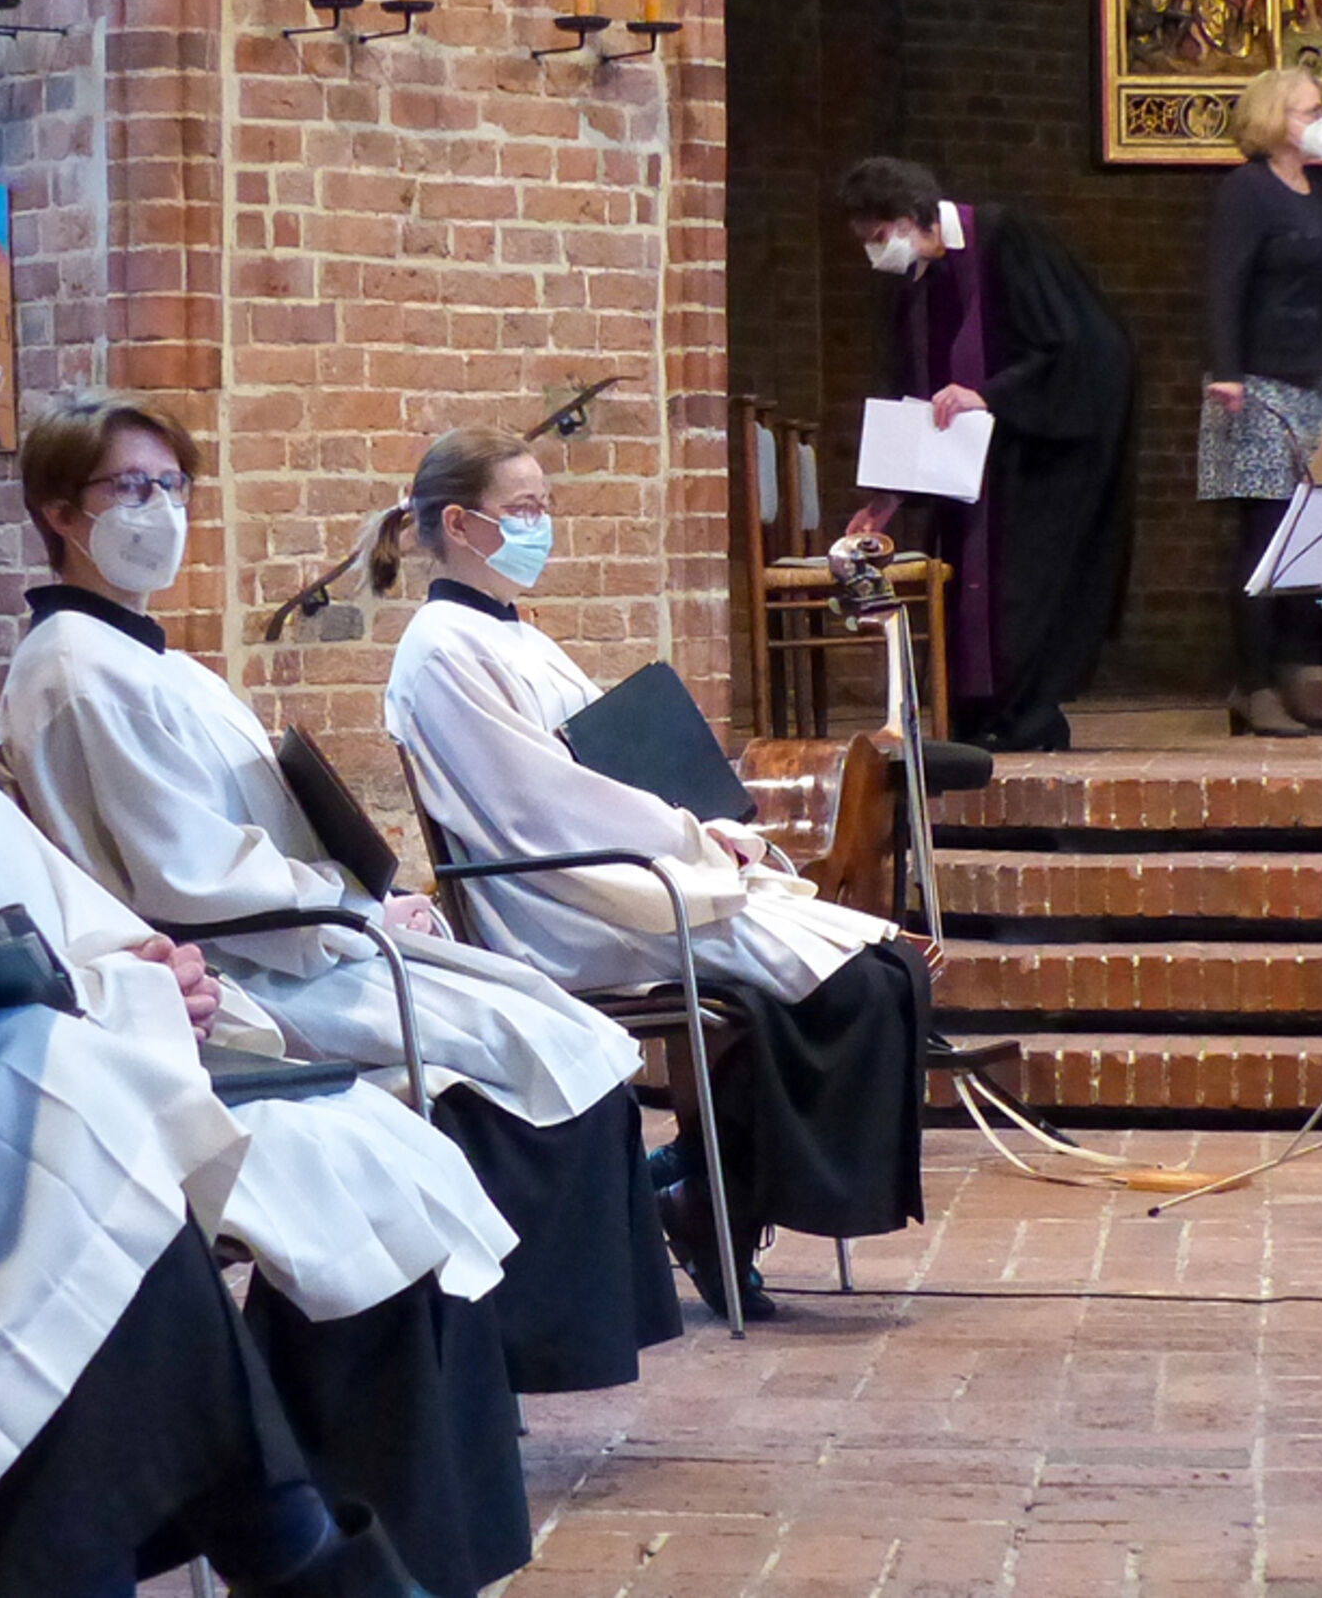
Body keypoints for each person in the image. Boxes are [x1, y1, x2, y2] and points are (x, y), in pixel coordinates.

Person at [0, 325, 439, 1598]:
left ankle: (300, 1535)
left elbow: (24, 890)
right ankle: (292, 1544)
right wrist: (125, 983)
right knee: (95, 1128)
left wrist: (135, 962)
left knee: (204, 1141)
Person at [0, 392, 682, 1403]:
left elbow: (243, 823)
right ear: (59, 510)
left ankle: (499, 1353)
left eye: (172, 484)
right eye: (129, 487)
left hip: (300, 934)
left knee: (554, 1029)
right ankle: (498, 1355)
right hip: (241, 966)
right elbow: (188, 871)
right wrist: (353, 905)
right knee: (517, 1054)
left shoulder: (149, 656)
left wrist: (359, 891)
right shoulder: (77, 671)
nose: (159, 509)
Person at [378, 428, 929, 1320]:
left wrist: (696, 824)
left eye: (543, 507)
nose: (540, 524)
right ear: (458, 523)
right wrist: (688, 834)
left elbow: (596, 761)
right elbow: (542, 803)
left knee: (880, 972)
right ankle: (714, 1192)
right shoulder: (443, 648)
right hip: (562, 893)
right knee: (862, 985)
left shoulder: (510, 631)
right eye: (522, 509)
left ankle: (703, 1184)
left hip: (619, 867)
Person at [839, 156, 1137, 753]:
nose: (877, 254)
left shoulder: (1005, 239)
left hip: (1042, 458)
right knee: (971, 593)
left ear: (911, 217)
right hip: (973, 474)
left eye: (879, 238)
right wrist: (888, 497)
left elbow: (1078, 344)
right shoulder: (913, 292)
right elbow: (916, 401)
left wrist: (991, 395)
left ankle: (1030, 718)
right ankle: (976, 718)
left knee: (1022, 593)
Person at [1199, 66, 1322, 736]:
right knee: (1265, 534)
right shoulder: (1246, 193)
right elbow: (1224, 280)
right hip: (1262, 383)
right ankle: (1253, 683)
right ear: (1276, 120)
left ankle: (1289, 668)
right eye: (1311, 110)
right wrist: (1227, 369)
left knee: (1315, 533)